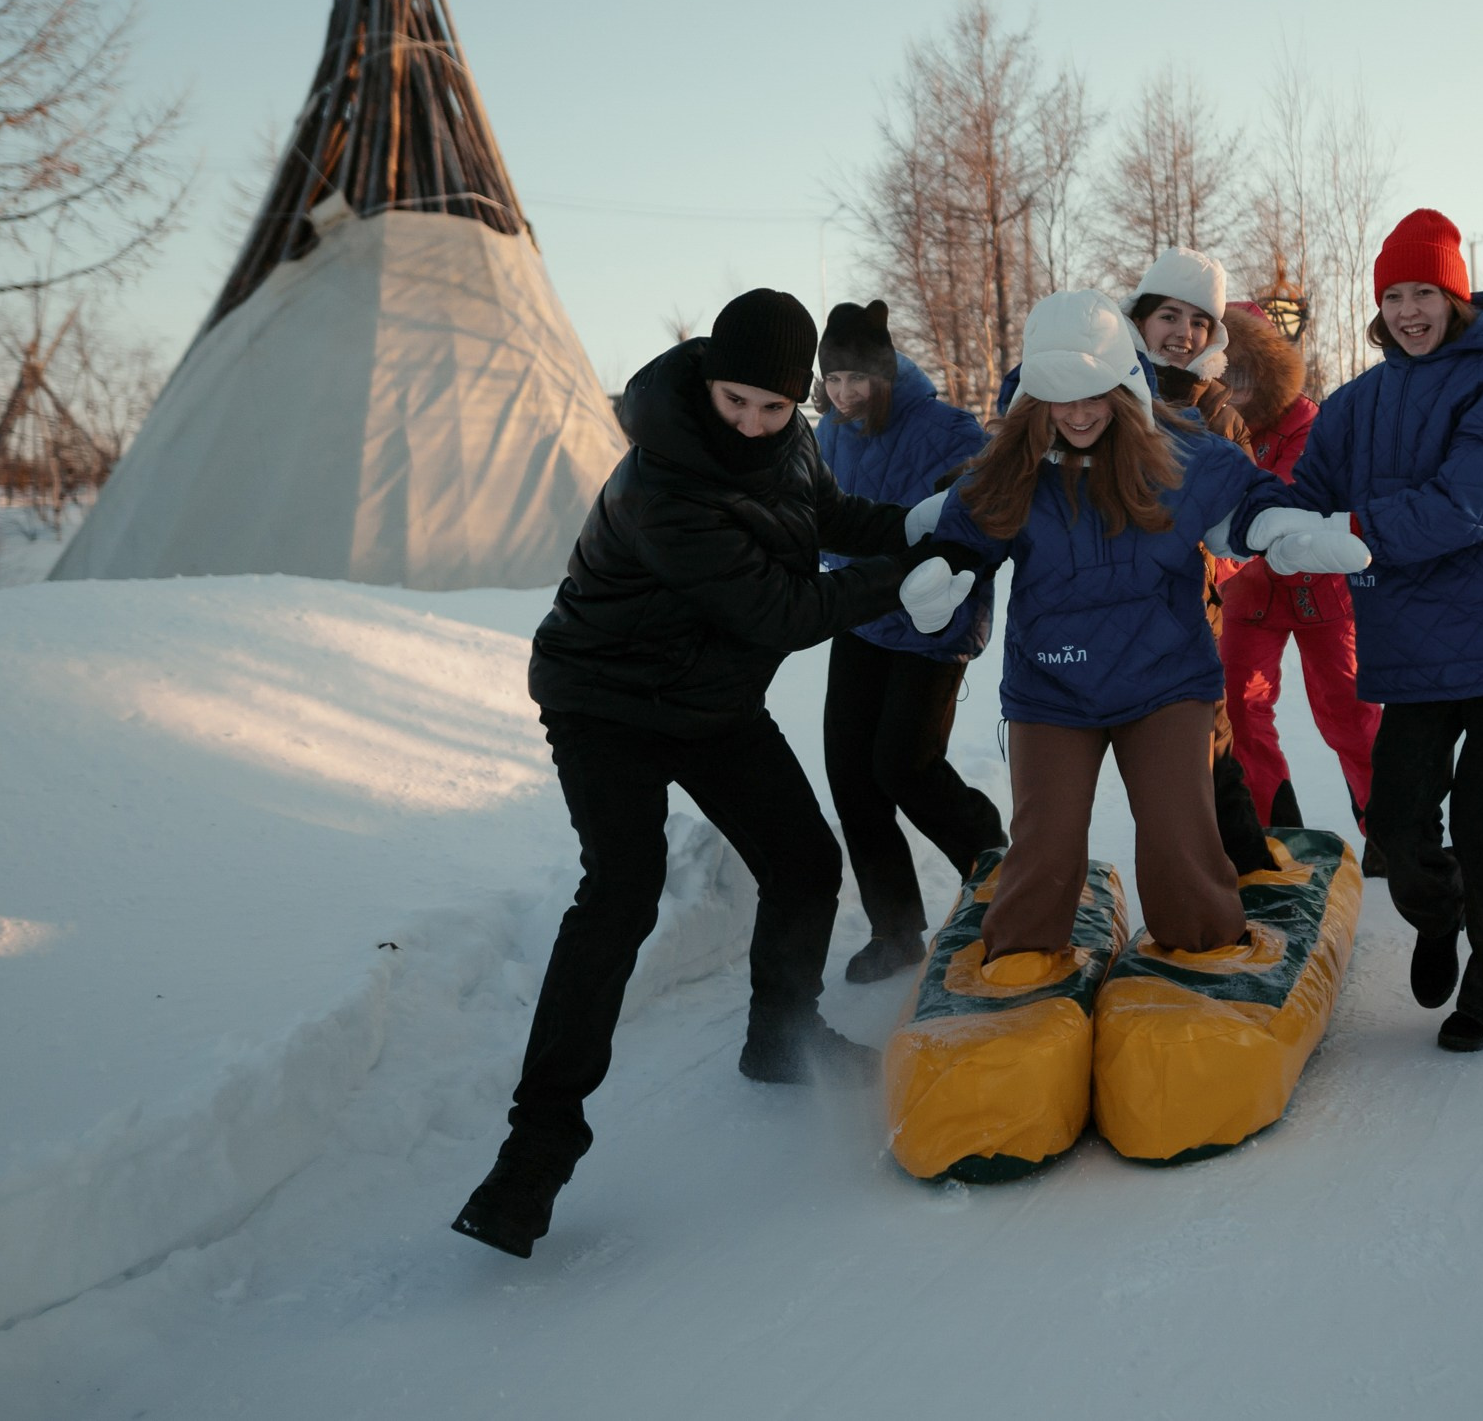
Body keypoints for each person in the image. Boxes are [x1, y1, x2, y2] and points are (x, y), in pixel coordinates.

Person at [452, 289, 976, 1260]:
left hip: (709, 700)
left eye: (774, 407)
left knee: (803, 861)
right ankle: (535, 1149)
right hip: (603, 701)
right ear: (707, 380)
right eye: (737, 401)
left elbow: (828, 514)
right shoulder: (661, 481)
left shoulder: (791, 443)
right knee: (621, 891)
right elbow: (782, 609)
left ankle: (779, 1037)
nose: (752, 424)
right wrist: (899, 583)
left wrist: (913, 525)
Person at [926, 290, 1364, 962]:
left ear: (1124, 387)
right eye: (1059, 398)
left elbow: (1244, 499)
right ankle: (1019, 961)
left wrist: (1278, 530)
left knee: (1179, 835)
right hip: (1051, 686)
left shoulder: (1180, 454)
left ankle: (1204, 946)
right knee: (1045, 843)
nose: (1077, 414)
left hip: (1164, 680)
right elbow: (965, 533)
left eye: (1093, 395)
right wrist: (945, 576)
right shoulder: (1014, 467)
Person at [1252, 209, 1483, 1053]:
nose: (1408, 311)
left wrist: (1351, 530)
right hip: (1415, 648)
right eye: (1394, 295)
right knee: (1396, 824)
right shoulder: (1356, 404)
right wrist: (1254, 516)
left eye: (1425, 293)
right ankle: (1438, 916)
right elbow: (1303, 488)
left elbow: (1476, 502)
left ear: (1455, 299)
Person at [812, 301, 1005, 984]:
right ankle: (893, 929)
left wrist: (951, 577)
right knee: (850, 774)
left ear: (886, 372)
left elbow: (985, 516)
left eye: (857, 379)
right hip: (862, 616)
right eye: (834, 379)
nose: (844, 394)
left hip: (932, 625)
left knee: (905, 765)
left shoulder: (946, 428)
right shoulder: (828, 433)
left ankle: (1000, 873)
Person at [1117, 249, 1274, 875]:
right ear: (1140, 319)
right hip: (1094, 611)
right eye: (1169, 316)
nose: (1183, 333)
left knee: (1211, 754)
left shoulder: (1221, 418)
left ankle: (1253, 876)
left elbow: (1243, 524)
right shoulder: (1102, 393)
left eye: (1199, 321)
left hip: (1186, 614)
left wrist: (1210, 558)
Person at [1215, 303, 1383, 853]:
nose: (1235, 385)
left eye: (1246, 371)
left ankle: (1388, 830)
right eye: (1225, 371)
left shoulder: (1308, 423)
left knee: (1349, 714)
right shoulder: (1209, 424)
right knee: (1241, 711)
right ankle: (1275, 832)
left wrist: (1220, 555)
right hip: (1247, 597)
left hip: (1319, 589)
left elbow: (1284, 507)